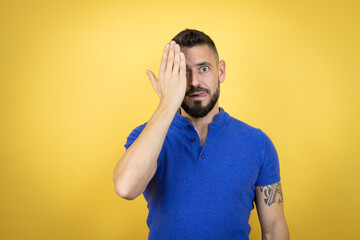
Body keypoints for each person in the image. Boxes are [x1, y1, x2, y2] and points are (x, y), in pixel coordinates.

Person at [113, 29, 289, 240]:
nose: (194, 81)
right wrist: (168, 103)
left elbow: (274, 229)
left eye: (203, 68)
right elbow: (125, 188)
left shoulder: (257, 143)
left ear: (221, 71)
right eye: (183, 72)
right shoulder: (145, 136)